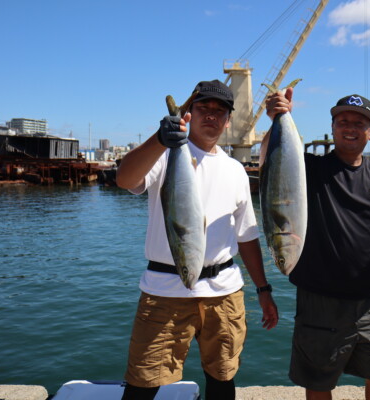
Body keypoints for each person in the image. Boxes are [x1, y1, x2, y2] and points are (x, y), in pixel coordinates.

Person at [116, 79, 279, 400]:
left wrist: (263, 289)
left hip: (225, 292)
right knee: (143, 382)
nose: (211, 116)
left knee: (222, 378)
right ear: (189, 112)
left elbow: (247, 236)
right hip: (163, 290)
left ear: (229, 120)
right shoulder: (164, 155)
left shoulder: (235, 170)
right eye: (203, 108)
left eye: (220, 111)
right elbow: (124, 179)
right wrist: (160, 140)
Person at [264, 88, 370, 400]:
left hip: (368, 302)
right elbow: (273, 160)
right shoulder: (310, 169)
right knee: (319, 382)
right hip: (318, 301)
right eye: (342, 121)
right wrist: (277, 117)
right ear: (333, 127)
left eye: (359, 122)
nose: (350, 127)